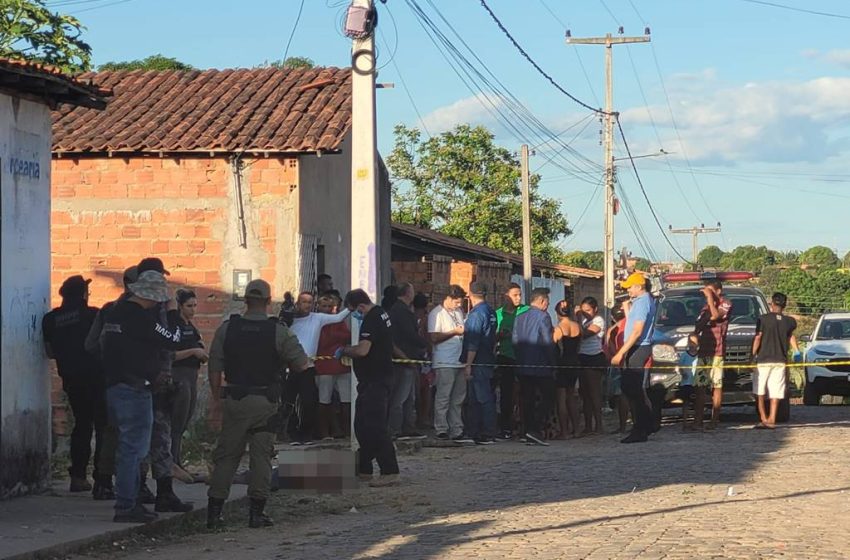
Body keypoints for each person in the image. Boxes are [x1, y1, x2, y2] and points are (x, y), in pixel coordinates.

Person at [206, 279, 310, 528]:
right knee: (261, 456)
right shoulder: (279, 331)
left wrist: (217, 399)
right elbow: (302, 364)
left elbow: (214, 367)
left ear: (245, 300)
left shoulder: (227, 329)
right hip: (266, 402)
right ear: (266, 301)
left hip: (235, 400)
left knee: (227, 456)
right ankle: (256, 513)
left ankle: (214, 514)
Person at [100, 270, 186, 523]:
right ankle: (127, 505)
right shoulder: (141, 318)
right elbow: (173, 340)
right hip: (135, 389)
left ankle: (128, 501)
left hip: (115, 386)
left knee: (127, 446)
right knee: (134, 449)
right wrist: (172, 314)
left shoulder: (115, 312)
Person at [43, 275, 113, 498]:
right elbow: (104, 343)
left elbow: (50, 352)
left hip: (71, 379)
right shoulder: (94, 314)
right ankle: (103, 479)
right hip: (97, 376)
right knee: (104, 426)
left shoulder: (50, 319)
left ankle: (78, 476)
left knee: (82, 424)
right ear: (84, 294)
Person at [135, 257, 191, 513]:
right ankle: (161, 492)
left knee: (137, 439)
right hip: (152, 383)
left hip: (134, 381)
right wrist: (171, 312)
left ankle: (138, 490)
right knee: (158, 438)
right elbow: (173, 340)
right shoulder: (156, 309)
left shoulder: (123, 308)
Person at [338, 289, 400, 487]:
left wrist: (345, 350)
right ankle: (363, 468)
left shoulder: (371, 318)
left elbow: (363, 350)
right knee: (362, 427)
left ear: (361, 306)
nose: (355, 315)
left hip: (376, 380)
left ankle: (389, 470)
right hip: (373, 380)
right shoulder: (382, 313)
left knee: (375, 427)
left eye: (354, 311)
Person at [289, 291, 350, 444]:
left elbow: (338, 317)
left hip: (309, 366)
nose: (307, 305)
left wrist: (351, 306)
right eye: (304, 302)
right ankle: (291, 433)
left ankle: (306, 434)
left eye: (310, 302)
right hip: (291, 366)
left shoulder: (318, 319)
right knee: (290, 402)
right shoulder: (289, 320)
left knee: (309, 401)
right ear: (297, 303)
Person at [610, 272, 657, 444]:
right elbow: (632, 322)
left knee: (633, 390)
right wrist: (626, 305)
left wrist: (621, 352)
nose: (628, 290)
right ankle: (647, 424)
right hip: (636, 347)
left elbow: (637, 331)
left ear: (639, 286)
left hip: (638, 347)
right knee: (630, 388)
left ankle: (640, 429)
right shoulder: (640, 302)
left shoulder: (643, 302)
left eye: (630, 287)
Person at [169, 289, 209, 481]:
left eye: (194, 306)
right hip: (179, 377)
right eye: (189, 306)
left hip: (192, 376)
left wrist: (199, 351)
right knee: (175, 423)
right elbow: (170, 355)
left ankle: (177, 460)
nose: (193, 310)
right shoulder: (174, 326)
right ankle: (171, 462)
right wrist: (193, 351)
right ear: (180, 305)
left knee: (184, 422)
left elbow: (199, 344)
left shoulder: (191, 327)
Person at [512, 288, 557, 446]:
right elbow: (547, 342)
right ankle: (535, 429)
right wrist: (553, 363)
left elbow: (515, 341)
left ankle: (527, 430)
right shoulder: (543, 317)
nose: (547, 306)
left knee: (527, 399)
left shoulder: (520, 317)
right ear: (542, 301)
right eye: (547, 303)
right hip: (541, 365)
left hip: (523, 364)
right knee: (549, 396)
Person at [752, 292, 800, 429]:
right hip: (780, 360)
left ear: (772, 304)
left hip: (763, 360)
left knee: (759, 391)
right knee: (776, 392)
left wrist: (752, 356)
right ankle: (772, 418)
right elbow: (791, 337)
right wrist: (797, 351)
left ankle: (763, 418)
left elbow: (758, 338)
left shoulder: (763, 319)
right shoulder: (790, 321)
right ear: (784, 305)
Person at [428, 285, 469, 442]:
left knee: (458, 397)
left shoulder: (458, 312)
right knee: (443, 396)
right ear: (448, 298)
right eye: (457, 302)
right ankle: (441, 428)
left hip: (459, 360)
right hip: (444, 361)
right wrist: (454, 332)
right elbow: (434, 338)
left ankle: (456, 428)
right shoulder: (436, 314)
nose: (459, 305)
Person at [690, 281, 732, 431]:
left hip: (717, 353)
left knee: (717, 386)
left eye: (711, 291)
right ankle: (698, 420)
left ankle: (714, 420)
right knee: (700, 387)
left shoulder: (725, 303)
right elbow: (698, 326)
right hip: (704, 352)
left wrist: (709, 298)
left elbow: (715, 316)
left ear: (718, 291)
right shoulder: (705, 308)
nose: (707, 293)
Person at [388, 283, 428, 440]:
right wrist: (423, 343)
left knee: (409, 395)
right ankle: (396, 428)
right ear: (407, 294)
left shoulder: (400, 310)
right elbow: (408, 334)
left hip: (408, 357)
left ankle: (408, 426)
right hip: (403, 358)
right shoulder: (401, 312)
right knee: (400, 396)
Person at [462, 282, 498, 445]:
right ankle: (478, 431)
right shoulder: (491, 312)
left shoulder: (476, 314)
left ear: (470, 294)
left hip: (478, 361)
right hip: (488, 358)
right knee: (480, 397)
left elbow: (473, 341)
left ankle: (485, 432)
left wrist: (468, 364)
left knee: (480, 398)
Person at [314, 294, 352, 440]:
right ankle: (325, 432)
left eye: (330, 306)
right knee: (324, 400)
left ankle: (346, 431)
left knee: (346, 399)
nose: (327, 309)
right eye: (324, 306)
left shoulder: (339, 321)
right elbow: (323, 341)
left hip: (341, 365)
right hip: (324, 366)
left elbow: (347, 336)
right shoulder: (317, 321)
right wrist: (338, 339)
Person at [494, 283, 529, 439]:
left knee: (525, 393)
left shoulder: (525, 311)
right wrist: (499, 335)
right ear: (506, 296)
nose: (518, 298)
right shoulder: (498, 314)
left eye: (520, 294)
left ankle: (525, 426)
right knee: (506, 393)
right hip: (505, 356)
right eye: (515, 295)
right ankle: (506, 427)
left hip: (523, 357)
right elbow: (492, 336)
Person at [577, 297, 607, 435]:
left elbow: (585, 334)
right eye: (583, 311)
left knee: (594, 393)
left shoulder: (598, 321)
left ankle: (599, 425)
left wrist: (578, 317)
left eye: (588, 310)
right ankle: (588, 425)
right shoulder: (584, 321)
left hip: (594, 357)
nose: (585, 313)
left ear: (595, 309)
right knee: (585, 394)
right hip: (582, 357)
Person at [553, 299, 581, 439]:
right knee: (572, 397)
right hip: (574, 362)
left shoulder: (558, 329)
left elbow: (553, 347)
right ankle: (576, 429)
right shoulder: (577, 326)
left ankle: (564, 431)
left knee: (561, 399)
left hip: (562, 363)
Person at [605, 303, 630, 434]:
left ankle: (622, 426)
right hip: (631, 361)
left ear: (613, 318)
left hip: (617, 364)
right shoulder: (631, 325)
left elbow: (609, 349)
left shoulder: (612, 330)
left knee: (621, 396)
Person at [412, 293, 434, 430]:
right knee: (425, 389)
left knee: (416, 389)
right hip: (424, 356)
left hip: (413, 356)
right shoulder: (426, 319)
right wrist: (430, 355)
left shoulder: (411, 317)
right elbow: (428, 339)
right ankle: (423, 417)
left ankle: (419, 417)